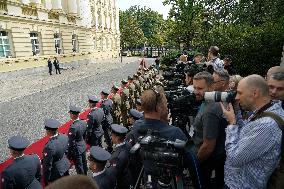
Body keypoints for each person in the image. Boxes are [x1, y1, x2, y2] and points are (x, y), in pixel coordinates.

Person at [220, 75, 284, 189]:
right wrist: (237, 112)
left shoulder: (266, 125)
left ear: (255, 93)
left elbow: (235, 158)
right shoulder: (266, 110)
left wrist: (232, 124)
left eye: (239, 93)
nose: (236, 97)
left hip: (241, 185)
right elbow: (246, 131)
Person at [126, 86, 187, 188]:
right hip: (170, 181)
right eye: (164, 103)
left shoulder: (136, 127)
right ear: (158, 108)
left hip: (148, 178)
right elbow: (185, 161)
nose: (166, 105)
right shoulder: (174, 133)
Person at [191, 71, 228, 189]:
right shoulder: (209, 101)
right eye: (194, 87)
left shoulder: (210, 110)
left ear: (211, 87)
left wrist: (195, 163)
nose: (196, 91)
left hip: (207, 160)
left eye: (200, 88)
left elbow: (208, 146)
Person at [42, 119, 70, 185]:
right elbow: (66, 150)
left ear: (48, 131)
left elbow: (47, 165)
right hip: (65, 164)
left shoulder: (49, 146)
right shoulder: (64, 136)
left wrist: (46, 179)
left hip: (56, 171)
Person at [109, 124, 132, 189]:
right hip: (129, 176)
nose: (111, 137)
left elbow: (114, 175)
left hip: (122, 183)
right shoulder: (128, 144)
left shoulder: (117, 157)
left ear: (117, 138)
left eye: (112, 135)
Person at [67, 105, 88, 175]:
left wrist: (69, 154)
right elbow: (85, 135)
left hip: (77, 150)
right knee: (84, 163)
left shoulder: (73, 127)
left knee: (79, 167)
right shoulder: (83, 122)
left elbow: (71, 143)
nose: (70, 115)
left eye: (70, 113)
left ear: (73, 115)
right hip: (82, 145)